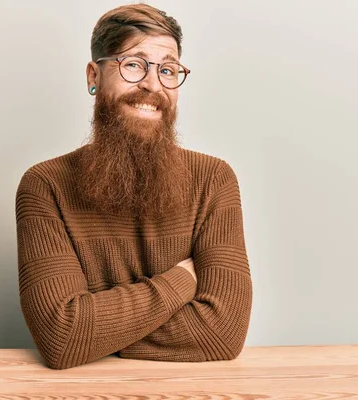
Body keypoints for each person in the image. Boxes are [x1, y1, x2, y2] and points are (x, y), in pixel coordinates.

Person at [15, 3, 253, 370]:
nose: (152, 85)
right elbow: (61, 336)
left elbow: (222, 333)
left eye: (168, 69)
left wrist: (98, 331)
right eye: (133, 64)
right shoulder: (45, 185)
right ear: (94, 75)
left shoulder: (213, 179)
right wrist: (181, 281)